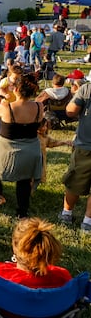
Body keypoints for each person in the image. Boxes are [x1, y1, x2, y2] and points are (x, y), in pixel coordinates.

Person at [0, 73, 42, 218]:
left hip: (7, 151)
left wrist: (1, 96)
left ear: (16, 90)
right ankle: (22, 213)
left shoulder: (6, 107)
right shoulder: (39, 106)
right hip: (30, 152)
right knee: (24, 180)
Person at [59, 77, 91, 233]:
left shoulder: (87, 89)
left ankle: (67, 213)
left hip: (86, 144)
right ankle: (88, 221)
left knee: (75, 181)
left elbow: (70, 111)